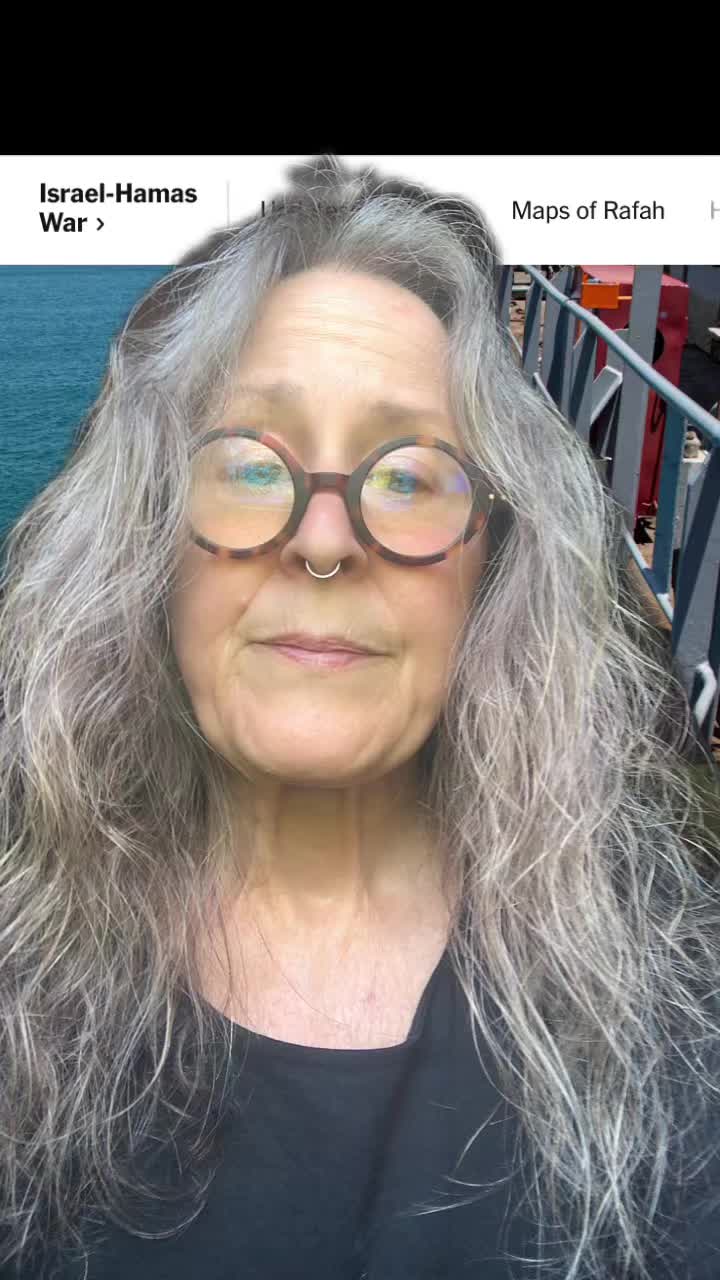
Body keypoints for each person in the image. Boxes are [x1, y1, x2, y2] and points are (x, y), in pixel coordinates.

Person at [1, 154, 720, 1279]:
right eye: (249, 464)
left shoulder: (682, 1051)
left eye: (408, 477)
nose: (325, 541)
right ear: (147, 547)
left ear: (491, 569)